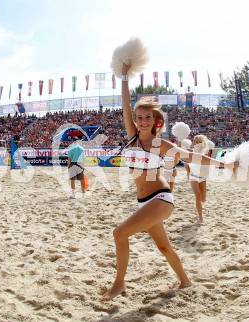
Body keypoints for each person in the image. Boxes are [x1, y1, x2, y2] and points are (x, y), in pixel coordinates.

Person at [101, 63, 238, 301]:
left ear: (156, 121)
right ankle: (185, 281)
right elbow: (125, 103)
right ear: (134, 120)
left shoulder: (162, 144)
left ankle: (119, 284)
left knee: (119, 234)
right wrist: (124, 77)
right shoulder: (131, 139)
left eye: (148, 118)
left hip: (161, 199)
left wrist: (224, 165)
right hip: (143, 202)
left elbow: (192, 157)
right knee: (164, 248)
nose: (143, 121)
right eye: (139, 117)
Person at [188, 135, 210, 223]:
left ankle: (200, 208)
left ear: (202, 142)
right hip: (193, 176)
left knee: (203, 199)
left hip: (203, 177)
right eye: (195, 142)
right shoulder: (191, 152)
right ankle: (200, 217)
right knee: (197, 196)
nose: (197, 143)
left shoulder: (206, 151)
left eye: (199, 142)